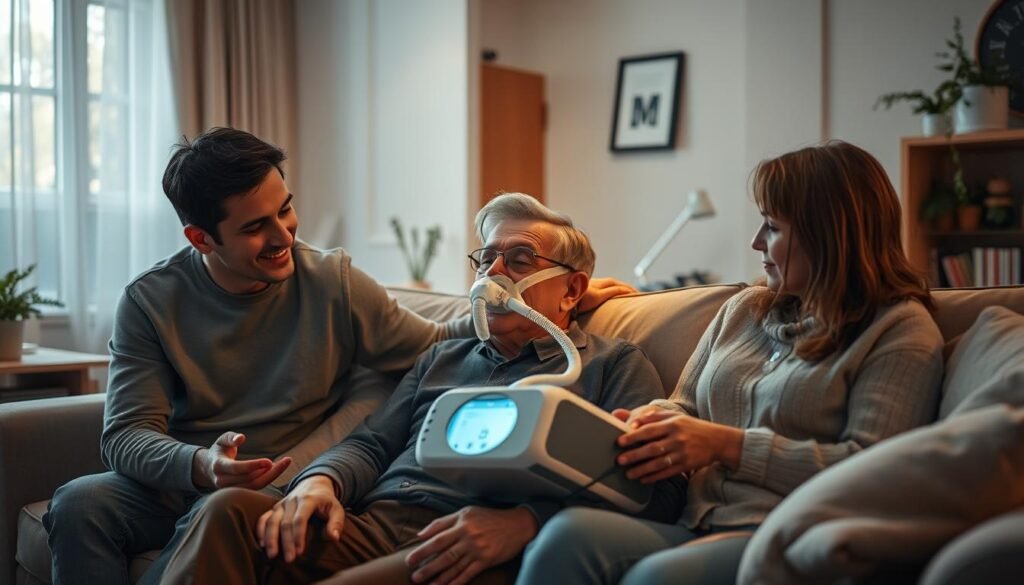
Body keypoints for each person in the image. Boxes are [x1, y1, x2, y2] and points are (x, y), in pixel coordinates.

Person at [41, 128, 632, 585]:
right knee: (80, 504)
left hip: (282, 475)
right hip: (197, 472)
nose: (284, 238)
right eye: (256, 228)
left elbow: (432, 341)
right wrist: (205, 465)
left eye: (286, 210)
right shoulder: (150, 301)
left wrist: (554, 306)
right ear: (202, 239)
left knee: (224, 514)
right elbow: (124, 437)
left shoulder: (332, 279)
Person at [157, 193, 685, 585]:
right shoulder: (443, 357)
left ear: (573, 290)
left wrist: (527, 523)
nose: (493, 273)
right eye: (485, 259)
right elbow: (371, 444)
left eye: (518, 260)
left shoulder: (611, 366)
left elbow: (658, 492)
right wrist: (320, 483)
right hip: (372, 524)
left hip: (461, 541)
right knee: (228, 510)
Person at [517, 141, 946, 585]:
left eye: (773, 228)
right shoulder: (746, 309)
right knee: (564, 535)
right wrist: (649, 422)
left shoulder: (898, 332)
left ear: (830, 236)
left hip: (787, 537)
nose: (757, 242)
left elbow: (875, 474)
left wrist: (728, 446)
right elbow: (684, 404)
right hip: (696, 523)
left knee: (656, 578)